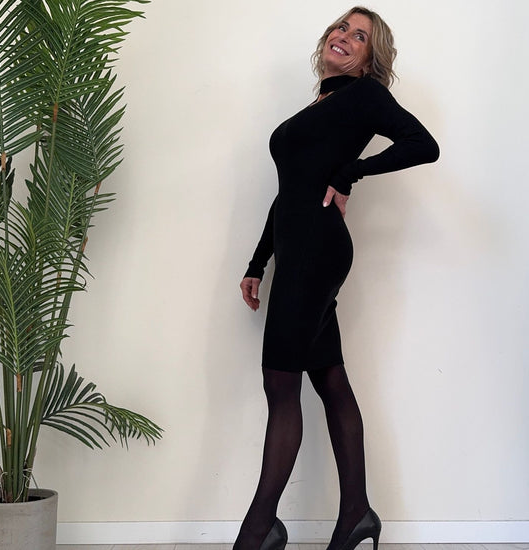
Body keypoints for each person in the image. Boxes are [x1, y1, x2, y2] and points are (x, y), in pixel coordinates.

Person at [236, 6, 439, 550]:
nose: (344, 36)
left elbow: (424, 145)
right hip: (298, 248)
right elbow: (289, 192)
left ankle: (258, 528)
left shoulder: (365, 95)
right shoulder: (321, 104)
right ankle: (356, 514)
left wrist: (353, 171)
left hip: (318, 250)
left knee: (280, 381)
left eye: (359, 36)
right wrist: (258, 261)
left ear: (371, 58)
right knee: (328, 378)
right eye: (341, 27)